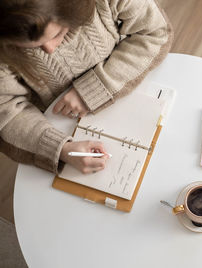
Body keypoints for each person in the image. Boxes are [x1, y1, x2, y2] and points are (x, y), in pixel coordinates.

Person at [0, 0, 173, 174]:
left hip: (130, 86)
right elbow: (6, 113)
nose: (50, 49)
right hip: (59, 124)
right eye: (32, 47)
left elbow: (156, 32)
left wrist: (95, 89)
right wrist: (62, 149)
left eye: (57, 33)